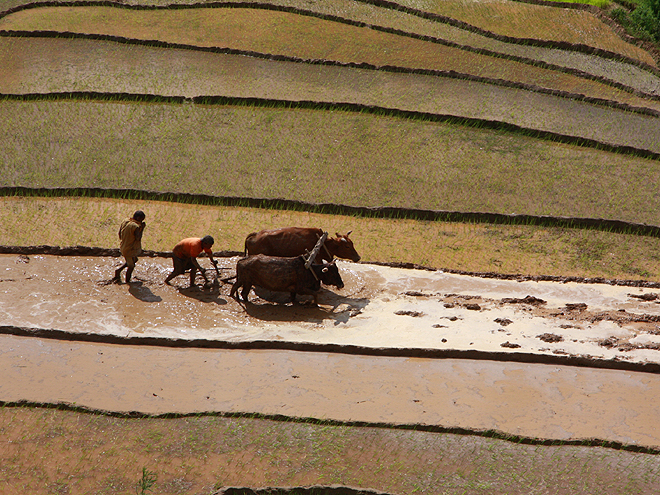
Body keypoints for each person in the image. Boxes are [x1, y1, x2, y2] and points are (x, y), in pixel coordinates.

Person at [113, 210, 146, 284]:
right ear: (138, 218)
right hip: (129, 249)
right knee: (131, 266)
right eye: (141, 219)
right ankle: (128, 282)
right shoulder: (135, 226)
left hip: (123, 246)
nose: (141, 221)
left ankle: (118, 271)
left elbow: (119, 233)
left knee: (134, 259)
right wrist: (142, 228)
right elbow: (138, 238)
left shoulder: (126, 221)